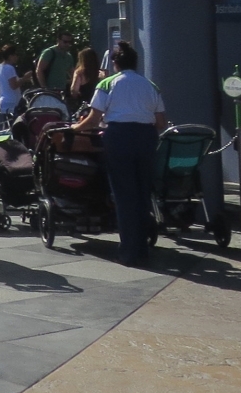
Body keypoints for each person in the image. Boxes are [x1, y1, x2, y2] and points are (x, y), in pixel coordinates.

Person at [72, 40, 167, 268]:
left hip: (119, 137)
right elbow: (161, 123)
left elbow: (94, 119)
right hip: (146, 138)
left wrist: (75, 128)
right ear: (135, 63)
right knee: (143, 194)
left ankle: (128, 253)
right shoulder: (150, 85)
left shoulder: (107, 84)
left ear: (115, 64)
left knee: (125, 196)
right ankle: (142, 249)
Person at [36, 31, 78, 100]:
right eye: (65, 42)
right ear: (58, 40)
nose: (67, 44)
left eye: (69, 42)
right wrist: (44, 88)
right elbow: (39, 70)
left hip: (62, 91)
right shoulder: (49, 52)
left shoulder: (68, 56)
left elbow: (72, 74)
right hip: (49, 90)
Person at [0, 44, 24, 115]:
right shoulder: (10, 68)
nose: (17, 57)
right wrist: (25, 78)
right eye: (15, 55)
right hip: (11, 103)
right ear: (10, 56)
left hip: (1, 102)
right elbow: (14, 85)